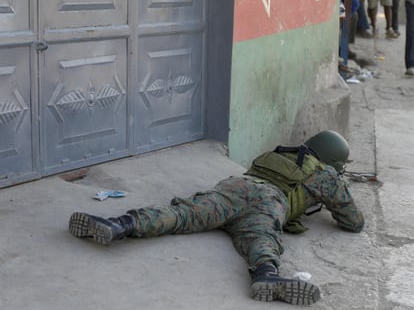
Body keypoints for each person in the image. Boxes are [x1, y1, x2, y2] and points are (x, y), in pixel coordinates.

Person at [68, 130, 365, 306]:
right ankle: (266, 276)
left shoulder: (280, 151)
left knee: (183, 214)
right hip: (269, 199)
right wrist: (334, 187)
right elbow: (354, 222)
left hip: (234, 187)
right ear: (334, 160)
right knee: (262, 237)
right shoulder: (325, 175)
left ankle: (119, 224)